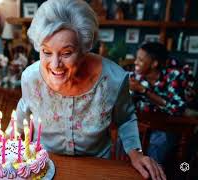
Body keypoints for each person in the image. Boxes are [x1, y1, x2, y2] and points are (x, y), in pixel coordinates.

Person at [8, 0, 165, 179]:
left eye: (66, 53)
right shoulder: (31, 77)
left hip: (95, 167)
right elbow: (21, 115)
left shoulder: (113, 79)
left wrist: (136, 154)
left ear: (84, 48)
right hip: (43, 166)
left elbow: (126, 118)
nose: (55, 64)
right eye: (46, 51)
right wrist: (5, 153)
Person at [129, 42, 196, 166]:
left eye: (140, 60)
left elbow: (176, 109)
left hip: (166, 128)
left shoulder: (173, 76)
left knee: (156, 148)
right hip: (142, 126)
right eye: (136, 58)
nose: (135, 62)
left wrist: (143, 91)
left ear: (154, 64)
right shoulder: (136, 77)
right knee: (120, 143)